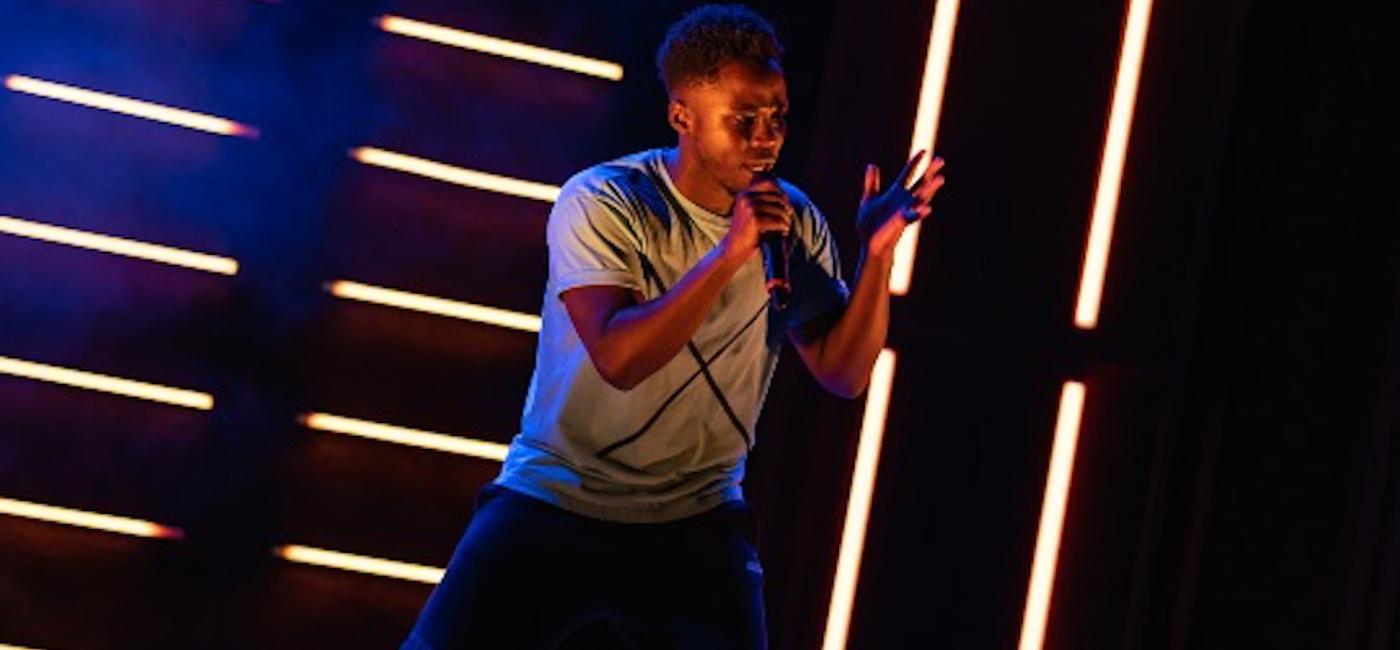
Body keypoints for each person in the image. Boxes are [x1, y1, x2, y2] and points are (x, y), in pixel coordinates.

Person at [401, 4, 944, 648]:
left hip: (697, 521)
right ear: (682, 116)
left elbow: (844, 373)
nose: (767, 138)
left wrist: (876, 256)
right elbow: (618, 358)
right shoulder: (604, 200)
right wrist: (728, 256)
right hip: (556, 500)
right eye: (743, 120)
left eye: (777, 117)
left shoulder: (793, 222)